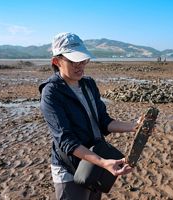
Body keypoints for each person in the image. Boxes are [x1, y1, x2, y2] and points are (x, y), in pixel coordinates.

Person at [39, 32, 139, 200]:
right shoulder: (51, 93)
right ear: (56, 61)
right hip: (70, 168)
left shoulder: (88, 84)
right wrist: (103, 162)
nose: (80, 65)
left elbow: (103, 121)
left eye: (83, 60)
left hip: (94, 163)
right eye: (72, 61)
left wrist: (134, 126)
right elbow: (65, 141)